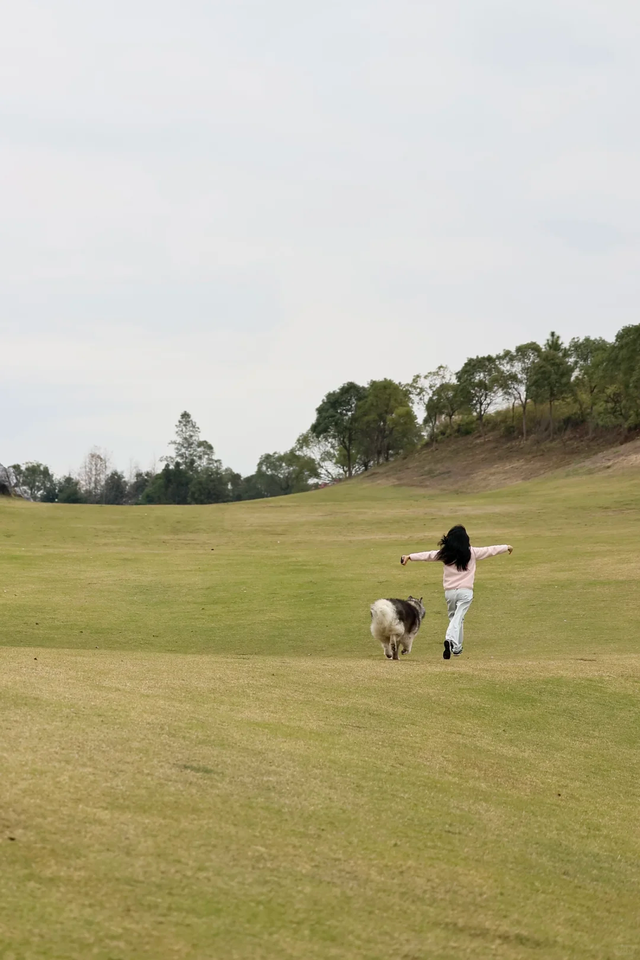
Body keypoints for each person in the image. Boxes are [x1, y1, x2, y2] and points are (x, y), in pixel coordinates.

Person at [400, 525, 512, 660]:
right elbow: (490, 550)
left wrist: (409, 557)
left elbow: (427, 555)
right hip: (465, 592)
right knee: (458, 618)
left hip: (450, 593)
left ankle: (457, 648)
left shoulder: (445, 554)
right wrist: (506, 547)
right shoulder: (472, 552)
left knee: (456, 618)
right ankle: (449, 639)